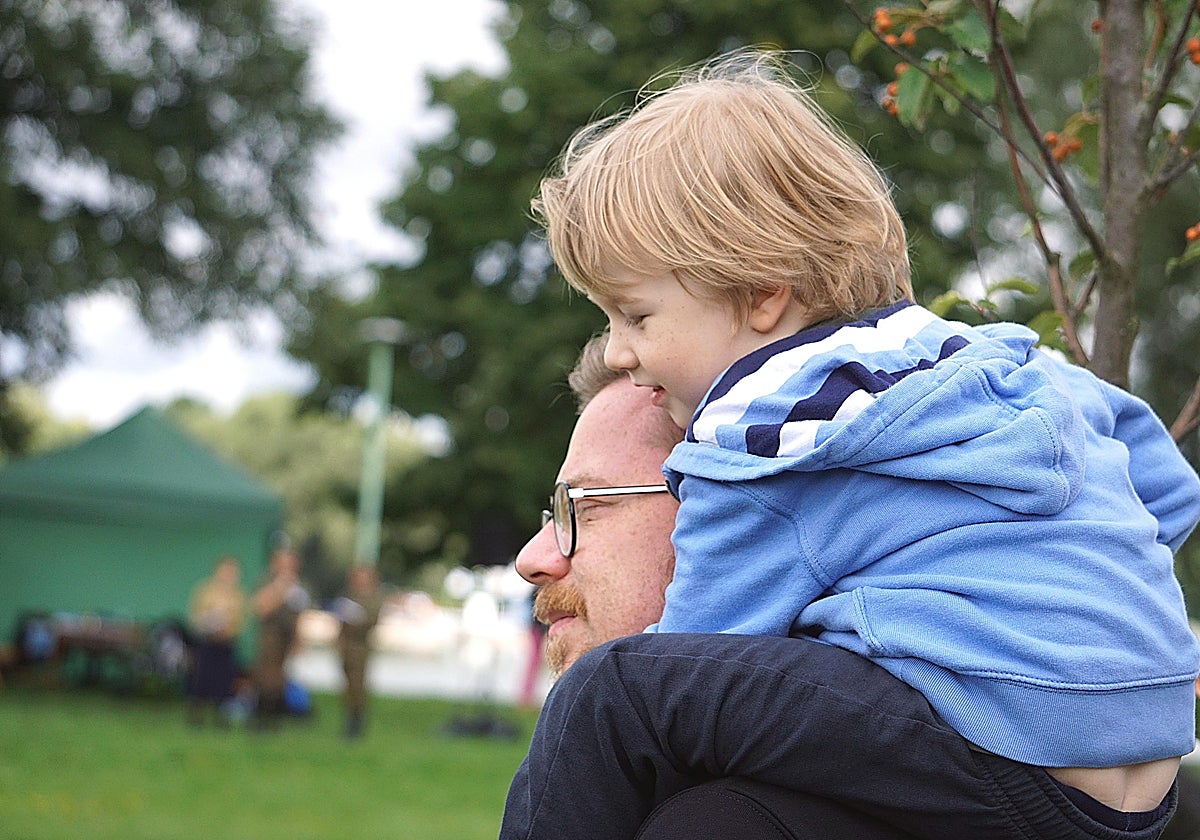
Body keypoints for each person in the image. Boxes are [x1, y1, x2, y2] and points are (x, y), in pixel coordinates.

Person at [501, 49, 1200, 839]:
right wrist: (1091, 601)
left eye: (634, 315)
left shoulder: (760, 441)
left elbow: (697, 657)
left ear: (762, 294)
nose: (621, 351)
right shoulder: (997, 360)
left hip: (997, 738)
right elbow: (1167, 486)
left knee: (615, 692)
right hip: (1143, 756)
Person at [251, 547, 310, 731]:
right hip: (270, 636)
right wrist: (280, 588)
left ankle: (275, 716)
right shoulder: (267, 581)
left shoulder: (300, 586)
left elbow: (299, 614)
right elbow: (260, 608)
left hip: (287, 637)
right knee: (266, 676)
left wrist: (299, 639)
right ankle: (262, 717)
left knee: (279, 677)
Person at [185, 554, 246, 727]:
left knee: (224, 681)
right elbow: (195, 616)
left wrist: (228, 628)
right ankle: (196, 714)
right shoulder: (205, 590)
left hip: (227, 643)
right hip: (207, 642)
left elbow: (240, 620)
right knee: (202, 679)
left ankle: (221, 715)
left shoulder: (238, 595)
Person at [332, 564, 384, 739]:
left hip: (360, 648)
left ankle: (357, 720)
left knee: (358, 684)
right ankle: (349, 717)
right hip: (347, 647)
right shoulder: (348, 596)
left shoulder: (374, 598)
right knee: (347, 684)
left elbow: (370, 620)